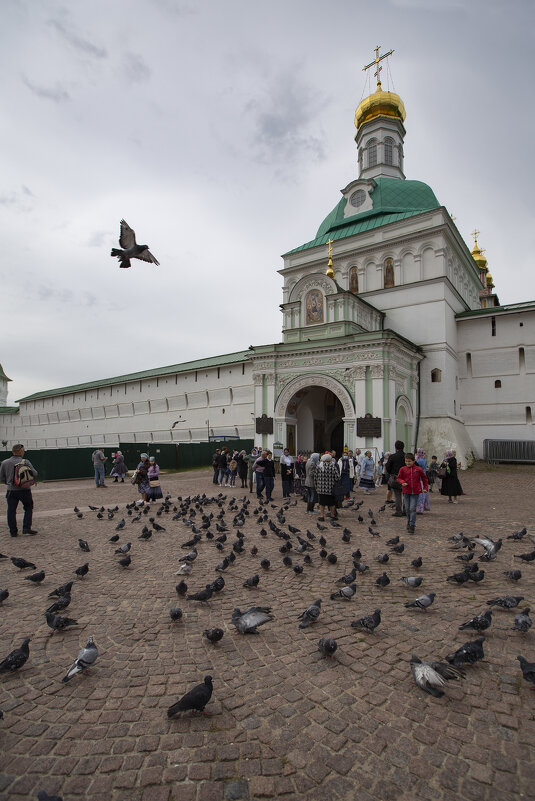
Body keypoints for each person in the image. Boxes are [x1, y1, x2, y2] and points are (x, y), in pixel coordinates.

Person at [0, 444, 38, 537]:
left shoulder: (5, 462)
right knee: (28, 508)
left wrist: (8, 483)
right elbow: (35, 473)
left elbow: (1, 477)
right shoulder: (25, 461)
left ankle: (13, 532)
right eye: (23, 450)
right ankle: (26, 528)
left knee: (11, 511)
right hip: (25, 489)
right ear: (20, 451)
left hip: (11, 491)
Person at [397, 452, 429, 534]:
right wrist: (402, 482)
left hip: (415, 492)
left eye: (409, 461)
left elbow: (424, 479)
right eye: (406, 461)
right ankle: (409, 520)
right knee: (407, 508)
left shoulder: (418, 469)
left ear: (414, 461)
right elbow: (399, 478)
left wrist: (425, 488)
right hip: (406, 491)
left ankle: (412, 525)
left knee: (412, 508)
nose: (408, 463)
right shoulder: (402, 469)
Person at [314, 452, 340, 521]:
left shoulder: (319, 466)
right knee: (331, 503)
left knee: (322, 503)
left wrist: (316, 486)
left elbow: (315, 477)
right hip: (330, 488)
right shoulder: (332, 466)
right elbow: (337, 477)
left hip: (321, 488)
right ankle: (332, 515)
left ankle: (322, 516)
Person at [385, 441, 405, 516]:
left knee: (397, 495)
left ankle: (398, 511)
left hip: (396, 478)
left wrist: (391, 473)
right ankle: (405, 510)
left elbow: (387, 467)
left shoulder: (393, 456)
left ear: (395, 447)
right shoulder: (406, 456)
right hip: (405, 479)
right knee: (405, 495)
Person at [415, 448, 430, 514]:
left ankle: (419, 509)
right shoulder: (423, 459)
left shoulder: (419, 461)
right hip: (423, 478)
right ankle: (422, 507)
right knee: (423, 494)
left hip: (419, 479)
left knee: (420, 495)